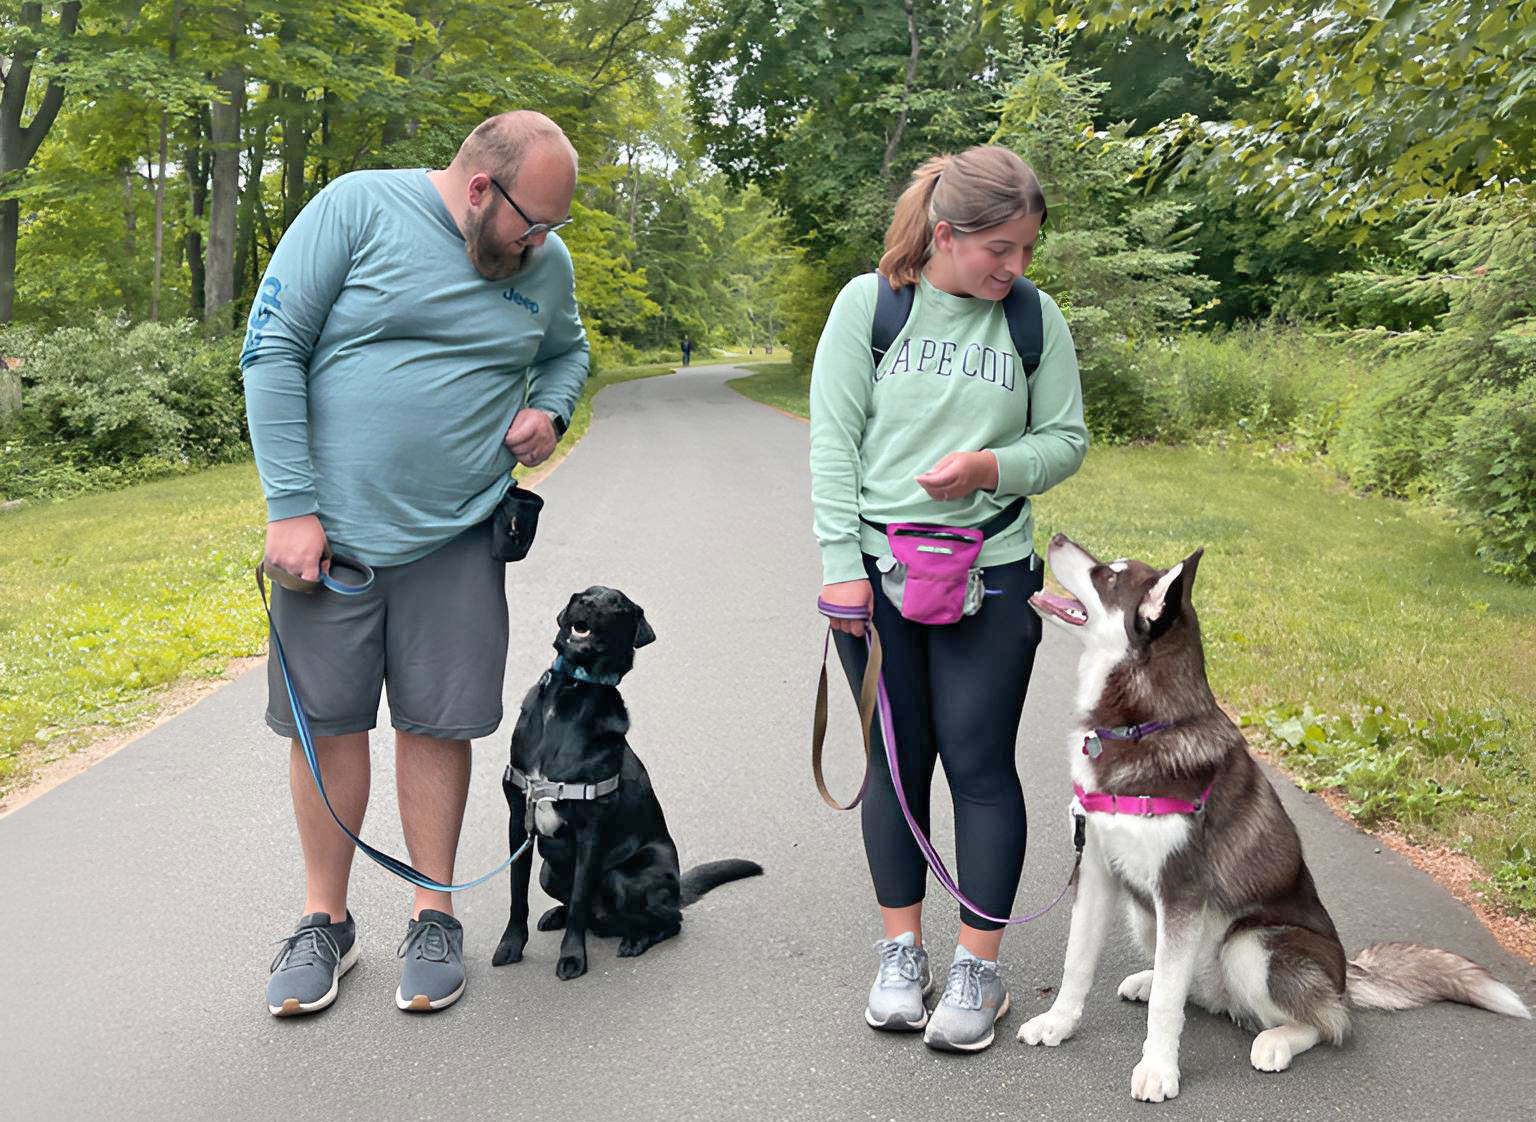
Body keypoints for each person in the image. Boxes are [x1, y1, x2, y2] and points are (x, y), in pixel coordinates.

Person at [242, 110, 590, 1017]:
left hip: (460, 533)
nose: (541, 241)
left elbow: (568, 353)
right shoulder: (357, 209)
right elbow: (271, 347)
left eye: (553, 226)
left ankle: (434, 911)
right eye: (531, 221)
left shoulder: (542, 267)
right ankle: (326, 920)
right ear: (480, 188)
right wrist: (290, 508)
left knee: (438, 723)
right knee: (328, 722)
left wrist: (549, 410)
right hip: (333, 540)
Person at [809, 145, 1088, 1052]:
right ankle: (902, 952)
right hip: (878, 578)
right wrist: (839, 563)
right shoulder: (871, 306)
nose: (1014, 268)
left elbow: (1066, 440)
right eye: (998, 249)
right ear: (944, 234)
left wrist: (989, 467)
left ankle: (978, 966)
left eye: (1025, 250)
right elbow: (833, 443)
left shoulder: (1035, 321)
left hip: (993, 574)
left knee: (978, 763)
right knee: (895, 765)